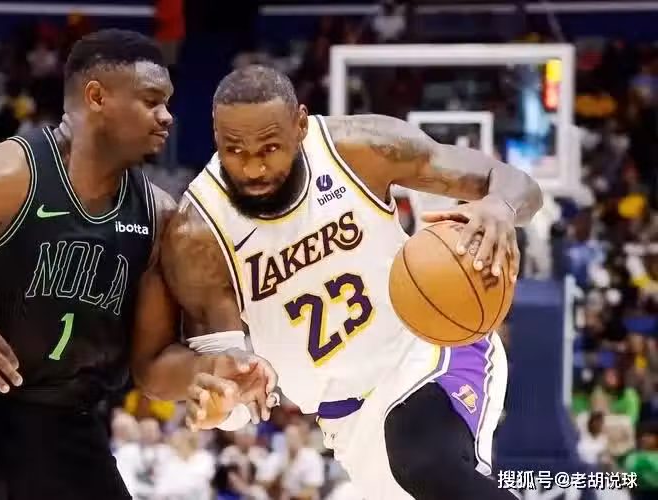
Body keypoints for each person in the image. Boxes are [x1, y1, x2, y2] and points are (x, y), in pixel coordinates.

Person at [0, 30, 272, 500]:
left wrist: (205, 371)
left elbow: (150, 367)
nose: (167, 115)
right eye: (151, 101)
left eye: (166, 102)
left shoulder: (157, 216)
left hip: (58, 415)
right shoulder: (3, 176)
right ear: (97, 97)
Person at [161, 65, 544, 500]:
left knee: (423, 461)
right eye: (234, 149)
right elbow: (228, 381)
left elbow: (520, 186)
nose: (253, 166)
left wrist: (500, 206)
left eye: (270, 147)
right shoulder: (198, 230)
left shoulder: (360, 149)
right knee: (417, 464)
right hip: (345, 422)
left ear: (301, 124)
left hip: (429, 353)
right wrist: (222, 402)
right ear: (214, 136)